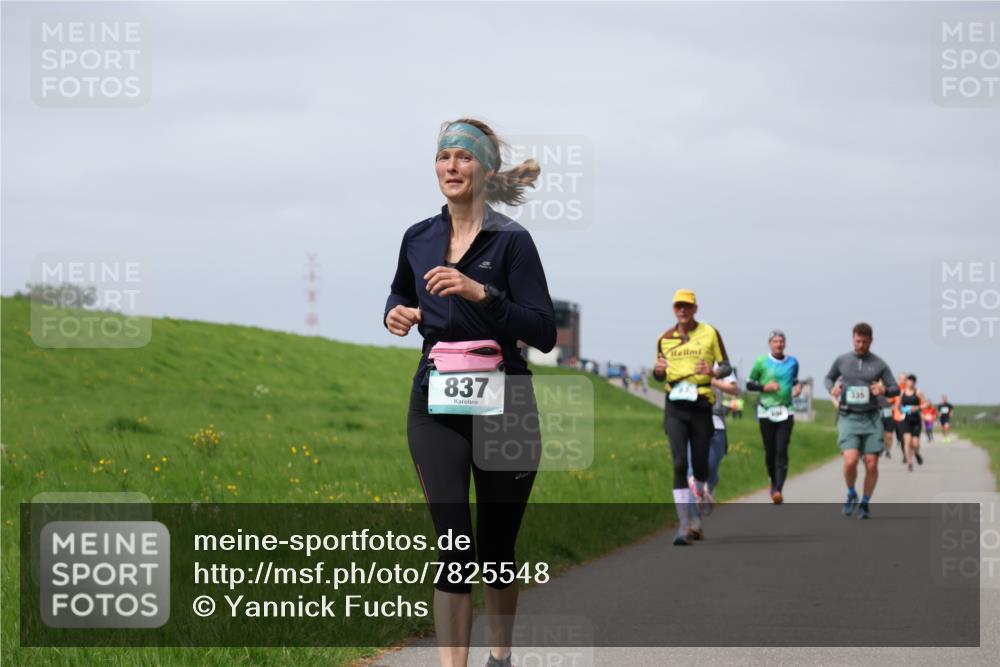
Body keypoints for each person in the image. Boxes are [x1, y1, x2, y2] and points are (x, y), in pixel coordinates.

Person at [384, 118, 555, 667]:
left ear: (483, 168)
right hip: (435, 403)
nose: (451, 167)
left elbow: (545, 332)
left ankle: (500, 657)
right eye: (443, 157)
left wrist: (483, 293)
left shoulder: (512, 241)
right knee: (454, 550)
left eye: (462, 157)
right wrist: (396, 314)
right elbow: (398, 292)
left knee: (497, 551)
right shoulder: (418, 238)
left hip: (506, 404)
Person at [652, 289, 733, 545]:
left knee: (700, 466)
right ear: (674, 309)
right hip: (675, 405)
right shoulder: (664, 338)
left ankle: (700, 490)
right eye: (679, 306)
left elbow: (727, 366)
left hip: (701, 404)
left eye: (687, 306)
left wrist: (713, 371)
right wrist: (657, 370)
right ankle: (684, 527)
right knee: (678, 464)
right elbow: (658, 375)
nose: (683, 311)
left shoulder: (710, 333)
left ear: (695, 309)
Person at [824, 322, 900, 520]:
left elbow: (895, 388)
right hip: (848, 416)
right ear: (853, 339)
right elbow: (828, 378)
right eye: (858, 341)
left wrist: (884, 390)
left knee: (871, 463)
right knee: (850, 461)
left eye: (865, 342)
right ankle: (851, 493)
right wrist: (833, 388)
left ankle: (865, 503)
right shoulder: (842, 360)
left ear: (871, 341)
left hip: (871, 418)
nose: (861, 345)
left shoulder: (879, 364)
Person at [746, 330, 801, 504]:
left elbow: (793, 380)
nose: (778, 344)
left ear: (785, 344)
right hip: (766, 411)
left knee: (781, 449)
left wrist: (797, 387)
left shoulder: (793, 362)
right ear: (770, 344)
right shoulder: (761, 362)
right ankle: (773, 480)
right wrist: (764, 388)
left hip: (786, 411)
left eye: (781, 341)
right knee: (770, 451)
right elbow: (749, 384)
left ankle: (778, 489)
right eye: (775, 341)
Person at [686, 370, 740, 540]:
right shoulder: (683, 358)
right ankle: (695, 523)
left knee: (710, 473)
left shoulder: (720, 364)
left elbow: (734, 389)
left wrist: (712, 380)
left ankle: (710, 487)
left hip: (716, 425)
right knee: (692, 474)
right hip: (691, 422)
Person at [899, 375, 924, 472]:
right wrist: (900, 409)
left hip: (916, 419)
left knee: (915, 443)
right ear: (906, 382)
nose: (911, 383)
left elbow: (926, 403)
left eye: (913, 381)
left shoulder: (918, 392)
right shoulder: (902, 393)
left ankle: (917, 453)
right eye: (909, 381)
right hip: (905, 419)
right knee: (907, 442)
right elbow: (898, 405)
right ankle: (909, 462)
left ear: (915, 382)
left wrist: (917, 408)